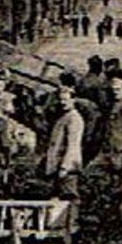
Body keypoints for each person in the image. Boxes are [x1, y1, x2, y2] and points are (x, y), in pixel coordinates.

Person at [44, 88, 85, 222]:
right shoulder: (63, 118)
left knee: (69, 195)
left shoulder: (74, 119)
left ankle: (71, 224)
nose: (63, 103)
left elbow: (73, 144)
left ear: (73, 100)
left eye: (66, 99)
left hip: (67, 166)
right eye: (61, 99)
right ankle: (58, 224)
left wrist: (65, 166)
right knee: (58, 196)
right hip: (57, 165)